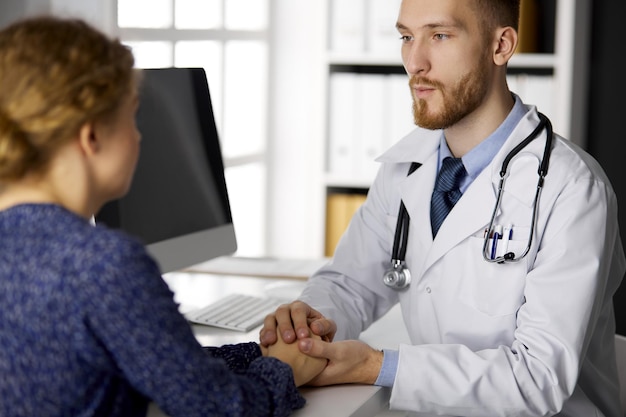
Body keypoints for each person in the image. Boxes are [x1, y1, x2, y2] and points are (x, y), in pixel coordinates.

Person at [260, 0, 626, 416]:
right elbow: (350, 284)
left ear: (501, 46)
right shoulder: (405, 168)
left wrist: (375, 366)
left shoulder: (572, 188)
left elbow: (537, 379)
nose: (414, 62)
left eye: (439, 35)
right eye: (406, 37)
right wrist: (307, 325)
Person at [0, 16, 325, 417]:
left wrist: (256, 352)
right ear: (92, 137)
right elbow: (221, 409)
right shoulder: (102, 265)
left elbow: (158, 363)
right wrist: (284, 370)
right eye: (132, 117)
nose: (139, 136)